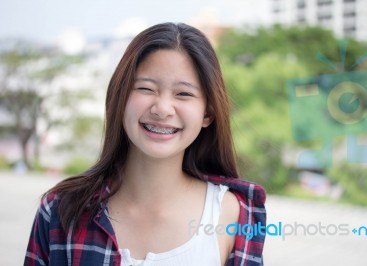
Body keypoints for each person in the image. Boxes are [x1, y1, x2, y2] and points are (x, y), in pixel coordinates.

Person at [25, 22, 266, 266]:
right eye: (145, 88)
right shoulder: (61, 210)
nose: (162, 109)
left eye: (183, 94)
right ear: (119, 99)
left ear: (208, 114)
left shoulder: (234, 215)